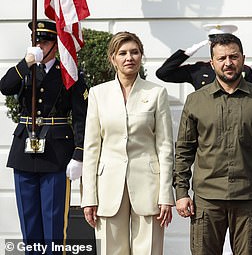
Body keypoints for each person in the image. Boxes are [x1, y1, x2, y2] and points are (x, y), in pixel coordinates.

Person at [174, 32, 252, 255]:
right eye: (222, 58)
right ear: (212, 63)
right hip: (206, 199)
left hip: (249, 198)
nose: (228, 63)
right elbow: (184, 150)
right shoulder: (196, 100)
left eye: (233, 57)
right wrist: (181, 192)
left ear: (242, 59)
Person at [81, 31, 175, 254]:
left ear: (141, 56)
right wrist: (88, 197)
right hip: (107, 187)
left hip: (148, 185)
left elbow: (164, 147)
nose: (129, 58)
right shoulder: (97, 94)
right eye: (122, 53)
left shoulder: (156, 93)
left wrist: (165, 195)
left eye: (134, 52)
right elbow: (92, 149)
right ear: (112, 58)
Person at [0, 20, 87, 254]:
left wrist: (79, 153)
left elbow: (81, 116)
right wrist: (26, 63)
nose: (39, 44)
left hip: (56, 154)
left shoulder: (68, 72)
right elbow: (5, 86)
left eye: (45, 40)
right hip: (24, 153)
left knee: (54, 225)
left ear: (56, 45)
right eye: (36, 40)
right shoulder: (25, 68)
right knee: (29, 225)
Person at [156, 24, 252, 89]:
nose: (228, 63)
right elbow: (163, 73)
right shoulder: (199, 69)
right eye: (216, 42)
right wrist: (187, 53)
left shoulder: (244, 70)